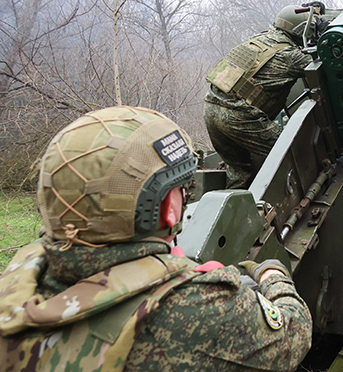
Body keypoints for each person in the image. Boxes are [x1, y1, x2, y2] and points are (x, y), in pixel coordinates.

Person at [0, 106, 312, 371]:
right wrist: (273, 276)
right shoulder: (194, 308)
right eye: (180, 188)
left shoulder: (18, 283)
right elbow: (294, 335)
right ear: (167, 209)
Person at [204, 3, 323, 188]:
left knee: (240, 173)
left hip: (211, 109)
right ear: (301, 31)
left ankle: (236, 212)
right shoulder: (290, 56)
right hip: (239, 116)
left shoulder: (260, 39)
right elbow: (325, 68)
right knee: (295, 155)